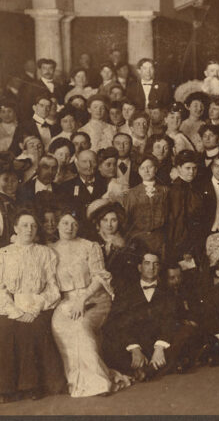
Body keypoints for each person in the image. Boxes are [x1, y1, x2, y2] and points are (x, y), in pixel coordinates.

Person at [0, 210, 67, 402]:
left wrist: (36, 306)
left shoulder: (46, 253)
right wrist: (14, 311)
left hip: (37, 305)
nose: (29, 229)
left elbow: (53, 287)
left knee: (35, 328)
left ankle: (31, 386)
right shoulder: (3, 254)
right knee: (4, 328)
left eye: (32, 226)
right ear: (15, 228)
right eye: (24, 225)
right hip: (8, 305)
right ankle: (4, 389)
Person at [48, 209, 130, 397]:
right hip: (65, 301)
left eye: (74, 224)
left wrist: (82, 300)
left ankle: (98, 382)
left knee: (81, 327)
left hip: (94, 298)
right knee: (60, 326)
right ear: (57, 225)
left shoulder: (89, 246)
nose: (69, 228)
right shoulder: (50, 249)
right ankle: (77, 381)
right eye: (65, 223)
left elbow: (99, 278)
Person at [102, 253, 186, 382]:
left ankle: (146, 370)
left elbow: (170, 320)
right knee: (110, 341)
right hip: (134, 341)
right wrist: (134, 347)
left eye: (155, 264)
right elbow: (118, 322)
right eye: (147, 263)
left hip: (159, 342)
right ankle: (156, 367)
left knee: (183, 334)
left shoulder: (168, 292)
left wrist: (159, 348)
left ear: (159, 268)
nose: (151, 268)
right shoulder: (126, 292)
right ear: (140, 267)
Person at [122, 157, 170, 258]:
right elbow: (126, 220)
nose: (146, 171)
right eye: (142, 168)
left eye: (149, 167)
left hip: (160, 240)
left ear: (156, 169)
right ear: (138, 171)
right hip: (139, 240)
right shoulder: (132, 193)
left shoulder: (165, 191)